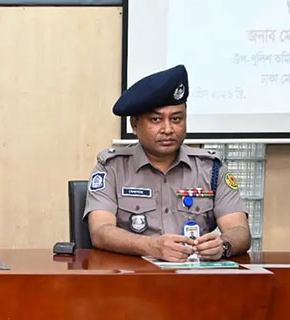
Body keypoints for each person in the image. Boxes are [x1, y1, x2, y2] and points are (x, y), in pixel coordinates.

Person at [84, 65, 250, 262]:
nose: (168, 129)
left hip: (195, 276)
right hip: (133, 276)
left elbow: (240, 231)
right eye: (156, 120)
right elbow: (100, 231)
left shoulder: (211, 169)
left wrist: (223, 245)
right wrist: (152, 246)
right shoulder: (112, 167)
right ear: (135, 124)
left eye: (176, 119)